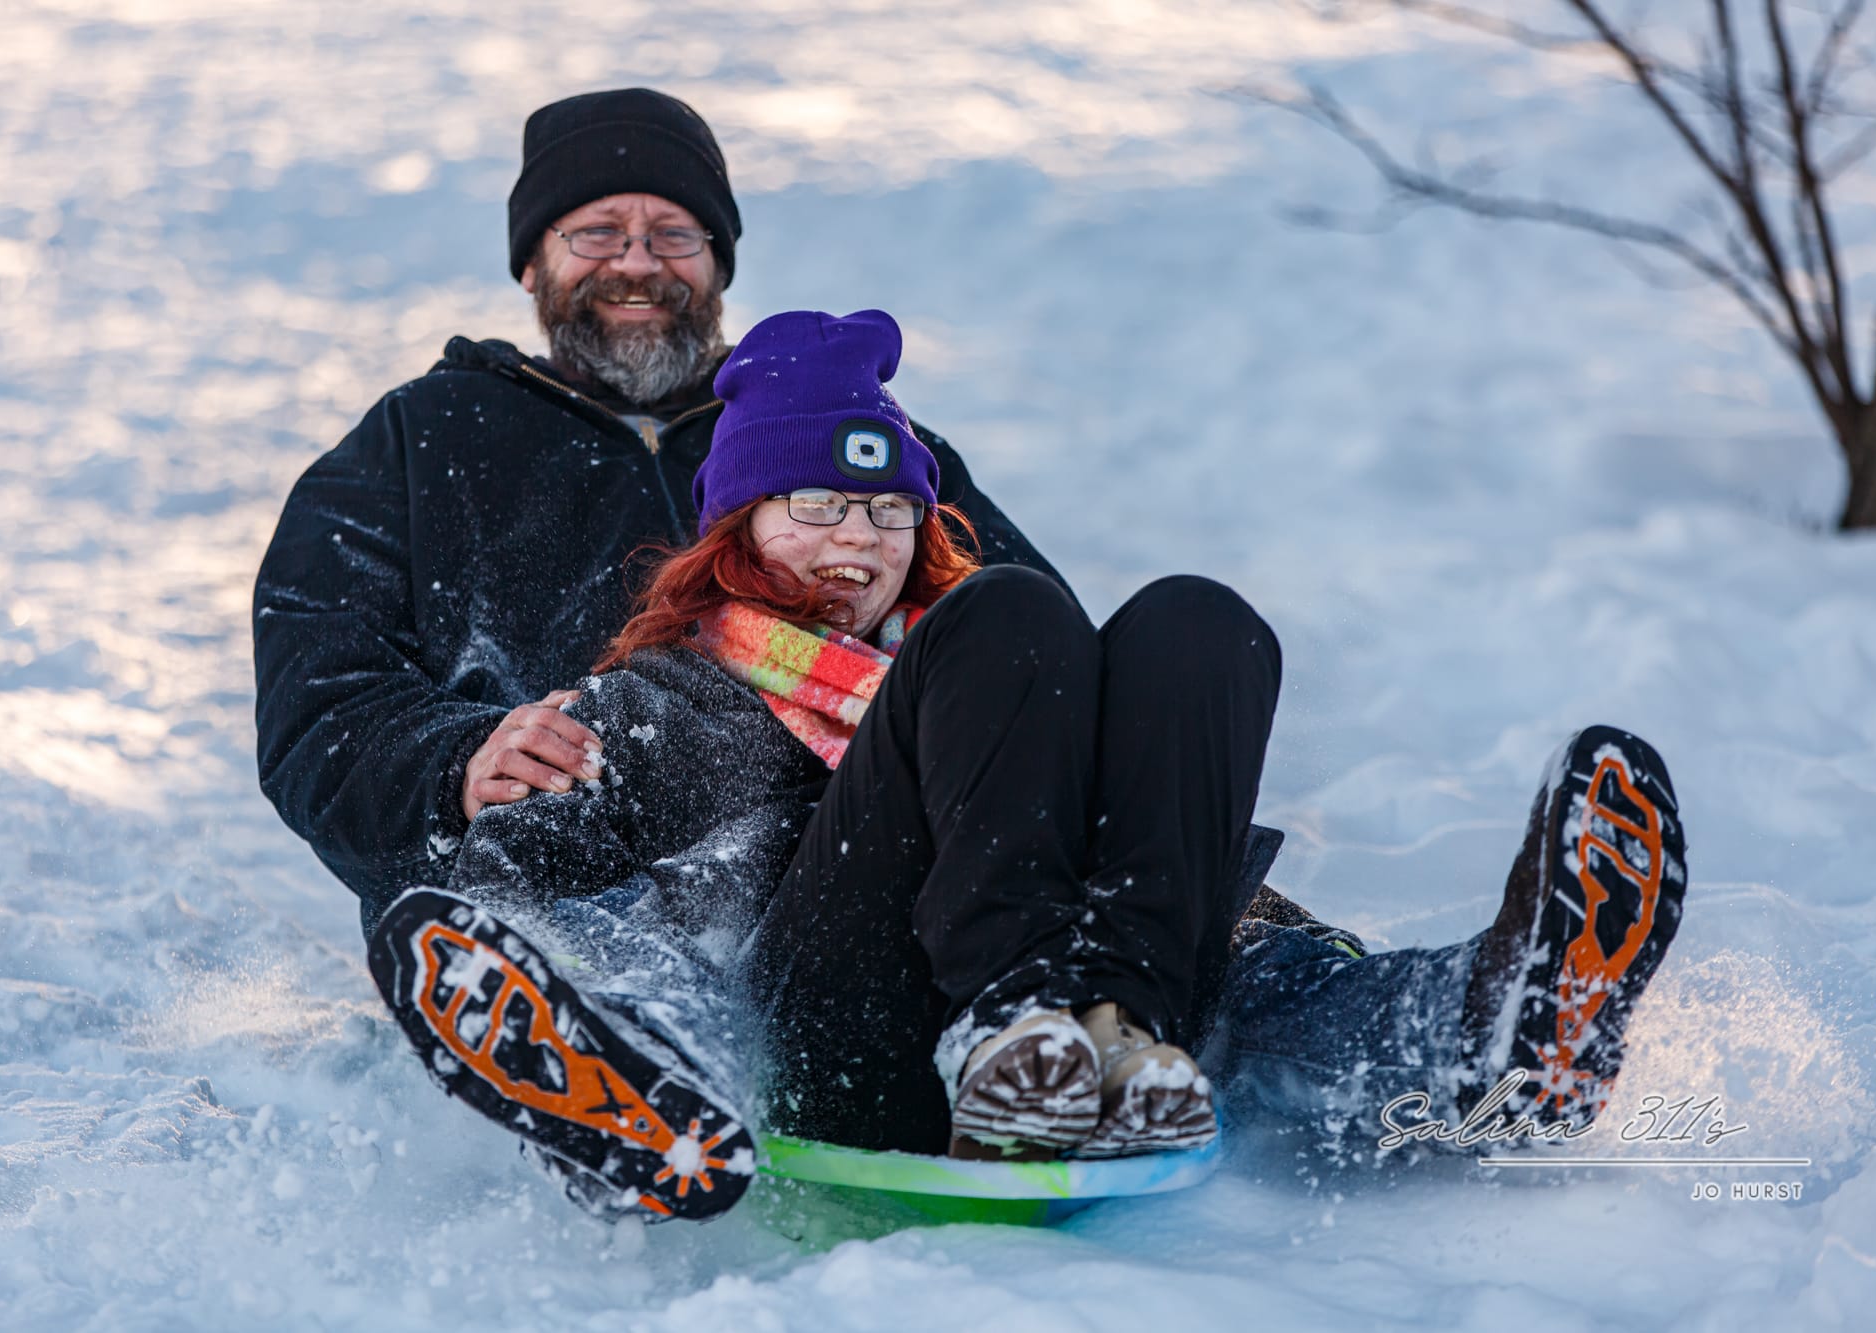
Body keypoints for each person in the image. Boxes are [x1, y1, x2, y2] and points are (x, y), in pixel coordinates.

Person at [365, 310, 1689, 1226]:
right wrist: (595, 1011)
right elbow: (513, 890)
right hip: (848, 1054)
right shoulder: (671, 695)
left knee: (1193, 625)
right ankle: (694, 1084)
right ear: (737, 528)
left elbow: (1146, 847)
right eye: (816, 504)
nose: (858, 537)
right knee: (1009, 613)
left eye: (887, 508)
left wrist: (1256, 929)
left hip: (1115, 1058)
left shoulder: (990, 676)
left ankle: (1483, 1033)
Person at [251, 89, 1060, 938]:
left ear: (718, 264)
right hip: (521, 908)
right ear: (531, 264)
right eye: (597, 232)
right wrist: (457, 762)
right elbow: (318, 698)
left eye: (674, 234)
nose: (637, 263)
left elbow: (1022, 639)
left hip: (833, 905)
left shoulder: (855, 441)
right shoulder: (420, 438)